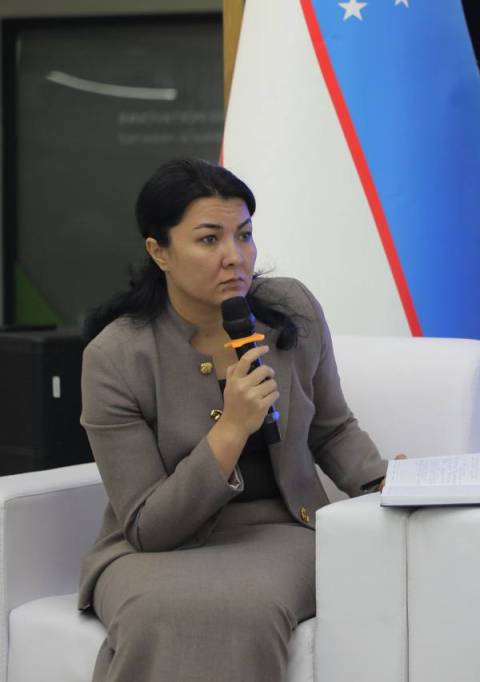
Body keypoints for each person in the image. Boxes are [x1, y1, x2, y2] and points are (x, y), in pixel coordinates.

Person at [78, 158, 390, 682]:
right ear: (159, 251)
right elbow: (149, 527)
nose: (235, 257)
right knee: (154, 614)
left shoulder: (293, 309)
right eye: (209, 239)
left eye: (244, 235)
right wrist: (231, 428)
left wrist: (384, 483)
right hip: (152, 550)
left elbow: (331, 428)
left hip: (285, 532)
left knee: (244, 609)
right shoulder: (116, 357)